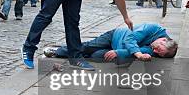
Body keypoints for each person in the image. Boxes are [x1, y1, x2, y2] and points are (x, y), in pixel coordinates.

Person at [43, 23, 178, 64]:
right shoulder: (153, 29)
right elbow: (129, 39)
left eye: (159, 54)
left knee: (96, 56)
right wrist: (137, 53)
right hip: (115, 36)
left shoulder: (155, 50)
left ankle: (68, 52)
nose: (155, 52)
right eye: (159, 49)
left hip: (117, 48)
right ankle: (58, 51)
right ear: (164, 40)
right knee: (87, 47)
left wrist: (118, 52)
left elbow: (143, 52)